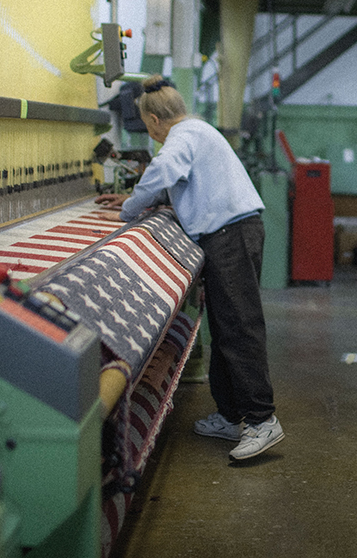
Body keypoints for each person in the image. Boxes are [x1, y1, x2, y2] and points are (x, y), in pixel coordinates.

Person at [95, 76, 283, 461]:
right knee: (226, 326)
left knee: (239, 327)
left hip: (230, 237)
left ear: (152, 120)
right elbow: (179, 180)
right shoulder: (196, 130)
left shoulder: (182, 136)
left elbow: (165, 170)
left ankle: (262, 420)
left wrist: (130, 209)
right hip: (230, 235)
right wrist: (132, 199)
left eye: (147, 127)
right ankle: (232, 416)